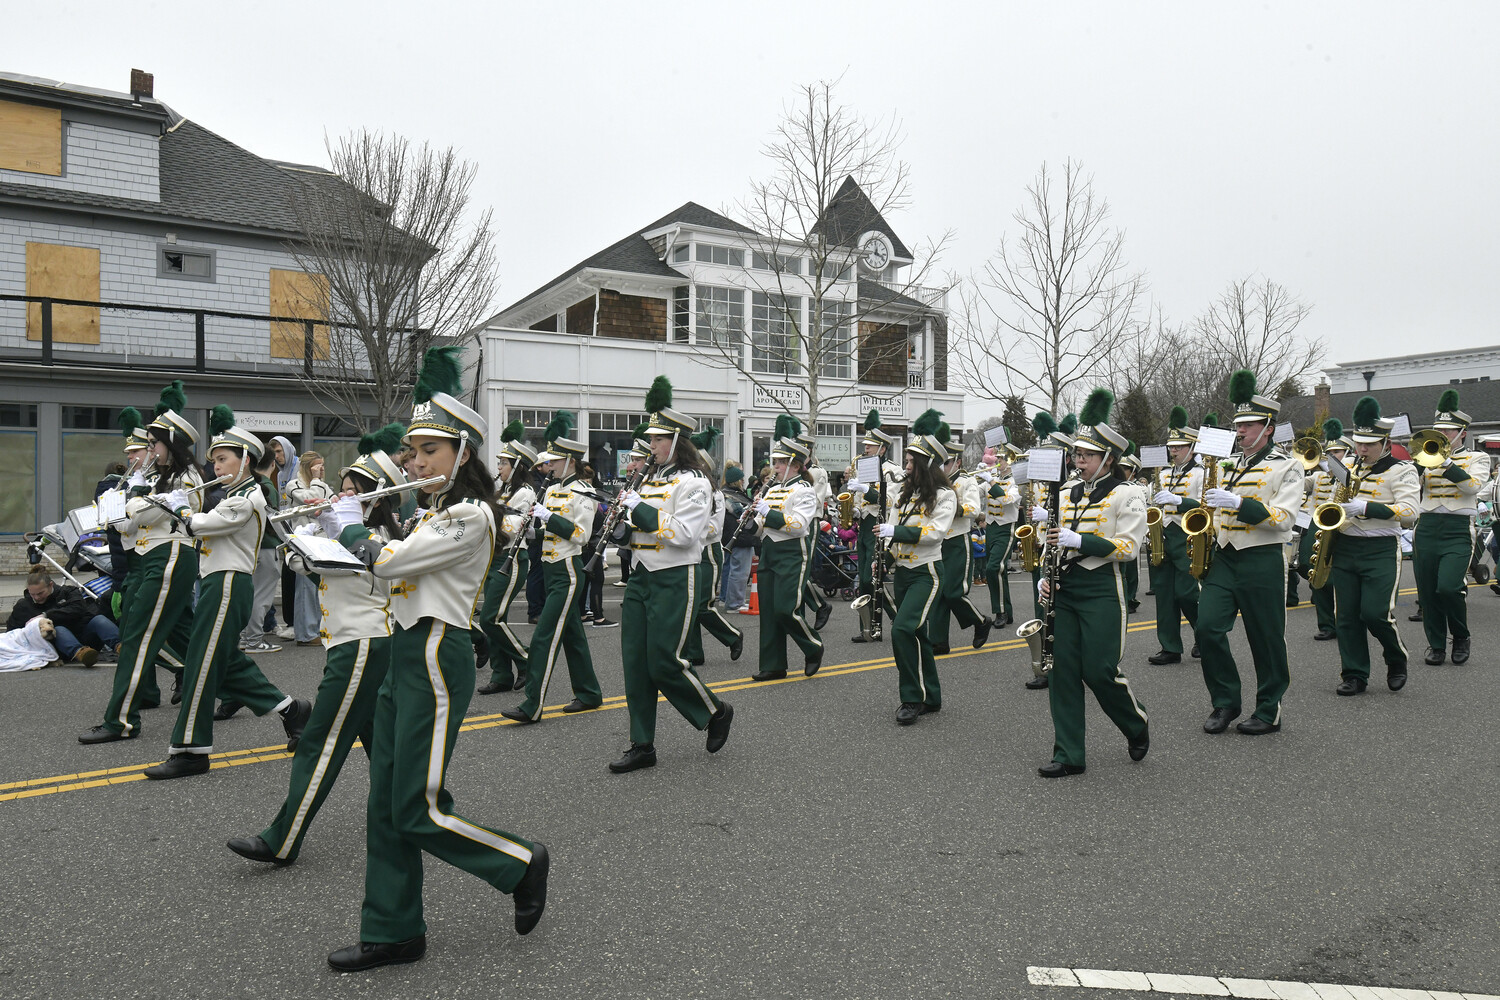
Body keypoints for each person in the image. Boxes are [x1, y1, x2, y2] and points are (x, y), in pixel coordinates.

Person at [325, 346, 549, 972]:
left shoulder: (472, 514)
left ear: (463, 454)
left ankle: (519, 863)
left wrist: (353, 532)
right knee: (384, 803)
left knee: (416, 807)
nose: (416, 461)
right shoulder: (430, 513)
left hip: (433, 651)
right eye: (413, 452)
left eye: (431, 451)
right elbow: (386, 580)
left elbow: (392, 564)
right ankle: (393, 930)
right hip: (404, 647)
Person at [226, 426, 408, 865]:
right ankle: (408, 812)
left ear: (376, 499)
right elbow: (302, 562)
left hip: (363, 647)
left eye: (352, 492)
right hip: (351, 646)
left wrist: (334, 532)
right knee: (382, 744)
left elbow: (353, 564)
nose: (340, 497)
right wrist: (311, 535)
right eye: (341, 490)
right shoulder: (343, 532)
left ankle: (282, 839)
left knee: (320, 742)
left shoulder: (387, 542)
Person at [140, 407, 311, 779]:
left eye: (223, 459)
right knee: (224, 662)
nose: (215, 467)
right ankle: (291, 710)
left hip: (230, 582)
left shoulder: (248, 497)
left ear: (245, 460)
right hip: (218, 582)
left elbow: (205, 525)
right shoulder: (232, 493)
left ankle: (190, 750)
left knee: (202, 665)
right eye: (214, 461)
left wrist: (181, 509)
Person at [608, 385, 735, 773]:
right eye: (650, 438)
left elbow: (683, 535)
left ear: (676, 441)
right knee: (636, 663)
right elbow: (638, 531)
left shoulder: (694, 483)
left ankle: (715, 710)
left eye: (659, 439)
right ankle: (642, 743)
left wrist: (641, 512)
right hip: (643, 575)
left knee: (664, 662)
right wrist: (618, 527)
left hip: (675, 576)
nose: (652, 445)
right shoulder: (648, 481)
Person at [81, 382, 204, 744]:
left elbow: (144, 513)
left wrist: (132, 497)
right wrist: (121, 505)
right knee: (181, 637)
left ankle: (121, 722)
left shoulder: (188, 478)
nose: (149, 451)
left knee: (137, 639)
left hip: (169, 558)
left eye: (154, 444)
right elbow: (127, 525)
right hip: (147, 558)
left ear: (173, 445)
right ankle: (274, 703)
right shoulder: (155, 479)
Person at [1035, 389, 1150, 777]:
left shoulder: (1127, 494)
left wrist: (1080, 540)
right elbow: (1047, 542)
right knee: (1062, 670)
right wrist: (1042, 577)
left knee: (1100, 670)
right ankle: (1068, 754)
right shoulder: (1065, 493)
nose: (1078, 461)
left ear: (1109, 460)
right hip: (1064, 590)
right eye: (1077, 455)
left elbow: (1129, 547)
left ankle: (1135, 723)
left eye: (1086, 456)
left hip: (1102, 588)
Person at [1194, 370, 1302, 736]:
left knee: (1266, 638)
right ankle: (1225, 701)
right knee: (1207, 628)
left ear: (1268, 427)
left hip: (1262, 557)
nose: (1240, 432)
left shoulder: (1287, 466)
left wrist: (1240, 502)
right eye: (1238, 426)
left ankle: (1269, 709)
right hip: (1225, 556)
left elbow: (1284, 519)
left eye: (1248, 426)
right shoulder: (1227, 465)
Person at [502, 412, 605, 723]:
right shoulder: (555, 488)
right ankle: (588, 693)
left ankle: (532, 703)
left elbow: (581, 535)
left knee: (544, 636)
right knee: (572, 635)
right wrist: (536, 532)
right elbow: (556, 531)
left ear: (569, 461)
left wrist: (549, 518)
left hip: (569, 571)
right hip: (551, 568)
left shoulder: (583, 492)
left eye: (554, 461)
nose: (548, 466)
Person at [1326, 396, 1419, 695]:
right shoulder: (1349, 468)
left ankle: (1396, 657)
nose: (1362, 449)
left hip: (1380, 549)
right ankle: (1354, 674)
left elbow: (1409, 513)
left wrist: (1366, 507)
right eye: (1359, 444)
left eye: (1369, 444)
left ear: (1386, 441)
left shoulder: (1402, 470)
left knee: (1376, 613)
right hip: (1345, 547)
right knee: (1347, 616)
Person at [882, 411, 955, 725]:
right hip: (903, 572)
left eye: (911, 463)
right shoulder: (903, 495)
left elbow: (934, 534)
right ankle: (932, 696)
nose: (906, 467)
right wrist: (883, 558)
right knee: (918, 635)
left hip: (927, 572)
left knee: (902, 630)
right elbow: (890, 530)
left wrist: (895, 533)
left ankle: (912, 697)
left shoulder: (945, 496)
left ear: (925, 467)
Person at [1414, 389, 1492, 665]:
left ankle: (1460, 636)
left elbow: (1473, 487)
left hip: (1458, 528)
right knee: (1427, 590)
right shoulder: (1423, 459)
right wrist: (1418, 467)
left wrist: (1446, 463)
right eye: (1438, 430)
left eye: (1447, 431)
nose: (1441, 436)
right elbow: (1411, 491)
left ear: (1461, 432)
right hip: (1427, 526)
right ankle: (1436, 644)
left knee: (1448, 587)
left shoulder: (1477, 458)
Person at [750, 416, 824, 681]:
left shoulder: (804, 490)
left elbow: (798, 526)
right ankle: (773, 664)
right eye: (775, 462)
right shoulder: (772, 490)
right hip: (770, 551)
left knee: (785, 608)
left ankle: (813, 646)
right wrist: (750, 521)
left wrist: (768, 514)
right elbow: (761, 525)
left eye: (781, 463)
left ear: (795, 465)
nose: (776, 467)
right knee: (769, 612)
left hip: (792, 552)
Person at [477, 422, 538, 695]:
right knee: (491, 619)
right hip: (492, 559)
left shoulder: (525, 492)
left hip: (511, 559)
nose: (498, 467)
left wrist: (487, 516)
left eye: (503, 463)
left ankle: (526, 659)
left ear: (516, 466)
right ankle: (501, 674)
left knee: (492, 617)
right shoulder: (501, 492)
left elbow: (511, 529)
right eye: (500, 462)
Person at [680, 425, 745, 666]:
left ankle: (733, 635)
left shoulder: (715, 494)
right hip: (694, 552)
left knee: (701, 605)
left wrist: (688, 529)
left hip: (708, 551)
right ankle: (694, 652)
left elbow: (714, 529)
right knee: (691, 605)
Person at [1146, 407, 1206, 664]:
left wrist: (1179, 501)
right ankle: (1170, 646)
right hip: (1163, 535)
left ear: (1191, 447)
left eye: (1179, 447)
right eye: (1171, 447)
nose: (1173, 451)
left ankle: (1203, 636)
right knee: (1164, 594)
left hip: (1186, 535)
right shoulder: (1163, 474)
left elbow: (1206, 506)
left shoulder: (1201, 473)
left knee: (1188, 593)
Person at [929, 432, 993, 653]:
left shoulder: (966, 481)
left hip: (957, 540)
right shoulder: (935, 482)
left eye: (946, 463)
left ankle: (980, 622)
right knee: (938, 591)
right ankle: (938, 640)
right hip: (937, 541)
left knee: (954, 592)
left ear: (957, 461)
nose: (942, 467)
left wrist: (951, 508)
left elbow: (975, 509)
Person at [845, 409, 902, 643]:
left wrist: (866, 490)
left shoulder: (893, 471)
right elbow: (862, 501)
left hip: (882, 526)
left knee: (871, 578)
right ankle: (869, 629)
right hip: (866, 525)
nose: (865, 449)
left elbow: (889, 502)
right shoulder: (864, 468)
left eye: (869, 446)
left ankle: (895, 616)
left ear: (882, 448)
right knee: (864, 577)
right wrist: (855, 509)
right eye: (865, 445)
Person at [1297, 419, 1350, 641]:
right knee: (1309, 568)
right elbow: (1298, 483)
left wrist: (1341, 472)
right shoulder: (1318, 476)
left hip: (1340, 528)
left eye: (1338, 451)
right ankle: (1326, 624)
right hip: (1314, 523)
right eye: (1330, 452)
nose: (1333, 455)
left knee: (1336, 577)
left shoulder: (1351, 474)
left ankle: (1341, 622)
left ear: (1347, 453)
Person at [8, 568, 115, 667]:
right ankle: (81, 654)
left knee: (99, 620)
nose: (37, 598)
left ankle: (122, 647)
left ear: (50, 585)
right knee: (58, 629)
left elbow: (78, 609)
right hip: (55, 647)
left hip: (83, 635)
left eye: (40, 593)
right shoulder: (23, 606)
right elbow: (13, 633)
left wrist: (47, 615)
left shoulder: (69, 592)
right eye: (33, 594)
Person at [237, 447, 284, 656]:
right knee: (262, 596)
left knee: (250, 594)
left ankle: (245, 637)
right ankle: (254, 639)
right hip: (267, 546)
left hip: (249, 547)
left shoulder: (247, 485)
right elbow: (274, 521)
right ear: (272, 464)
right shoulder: (266, 486)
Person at [287, 450, 333, 647]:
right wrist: (316, 480)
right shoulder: (293, 485)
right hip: (304, 540)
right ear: (307, 467)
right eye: (317, 466)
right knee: (305, 587)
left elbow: (331, 503)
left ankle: (315, 628)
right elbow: (310, 503)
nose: (321, 470)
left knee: (316, 586)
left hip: (321, 540)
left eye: (322, 466)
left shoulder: (321, 484)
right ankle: (305, 633)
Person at [795, 428, 833, 632]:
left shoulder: (818, 472)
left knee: (803, 569)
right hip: (791, 521)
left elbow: (815, 500)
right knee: (796, 568)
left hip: (810, 521)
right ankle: (809, 609)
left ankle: (820, 606)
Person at [980, 445, 1020, 626]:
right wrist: (972, 480)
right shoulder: (992, 478)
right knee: (999, 572)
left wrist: (991, 482)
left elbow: (1006, 500)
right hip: (991, 527)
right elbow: (977, 492)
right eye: (997, 459)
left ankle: (1000, 612)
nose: (997, 462)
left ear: (1010, 461)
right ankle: (1008, 613)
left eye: (1001, 459)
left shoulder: (1016, 482)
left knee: (992, 568)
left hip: (1005, 529)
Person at [720, 464, 755, 611]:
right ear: (736, 480)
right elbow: (740, 512)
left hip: (735, 536)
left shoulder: (729, 493)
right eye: (741, 479)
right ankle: (734, 604)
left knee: (738, 571)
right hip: (738, 536)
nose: (743, 482)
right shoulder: (730, 495)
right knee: (739, 571)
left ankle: (737, 601)